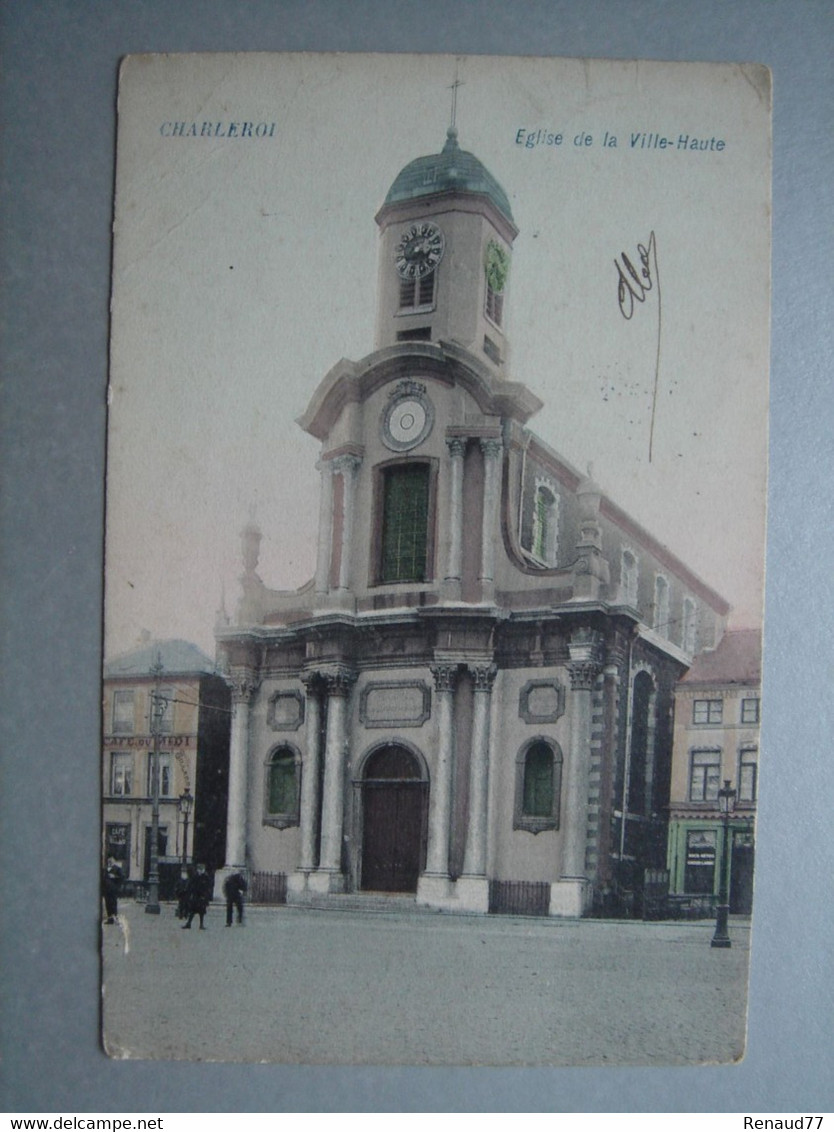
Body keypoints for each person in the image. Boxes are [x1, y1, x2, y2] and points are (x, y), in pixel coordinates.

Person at [181, 863, 213, 929]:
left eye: (201, 869)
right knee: (193, 911)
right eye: (199, 869)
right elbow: (191, 885)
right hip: (196, 896)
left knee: (201, 912)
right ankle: (189, 923)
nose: (200, 870)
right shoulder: (195, 876)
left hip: (202, 896)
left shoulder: (205, 877)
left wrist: (206, 896)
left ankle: (201, 924)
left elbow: (208, 887)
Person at [102, 857, 123, 924]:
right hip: (106, 889)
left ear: (114, 861)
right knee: (107, 904)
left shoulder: (117, 869)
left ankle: (115, 918)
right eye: (109, 861)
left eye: (111, 861)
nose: (110, 862)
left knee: (113, 904)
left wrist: (114, 876)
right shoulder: (105, 869)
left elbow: (122, 877)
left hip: (113, 889)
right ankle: (110, 919)